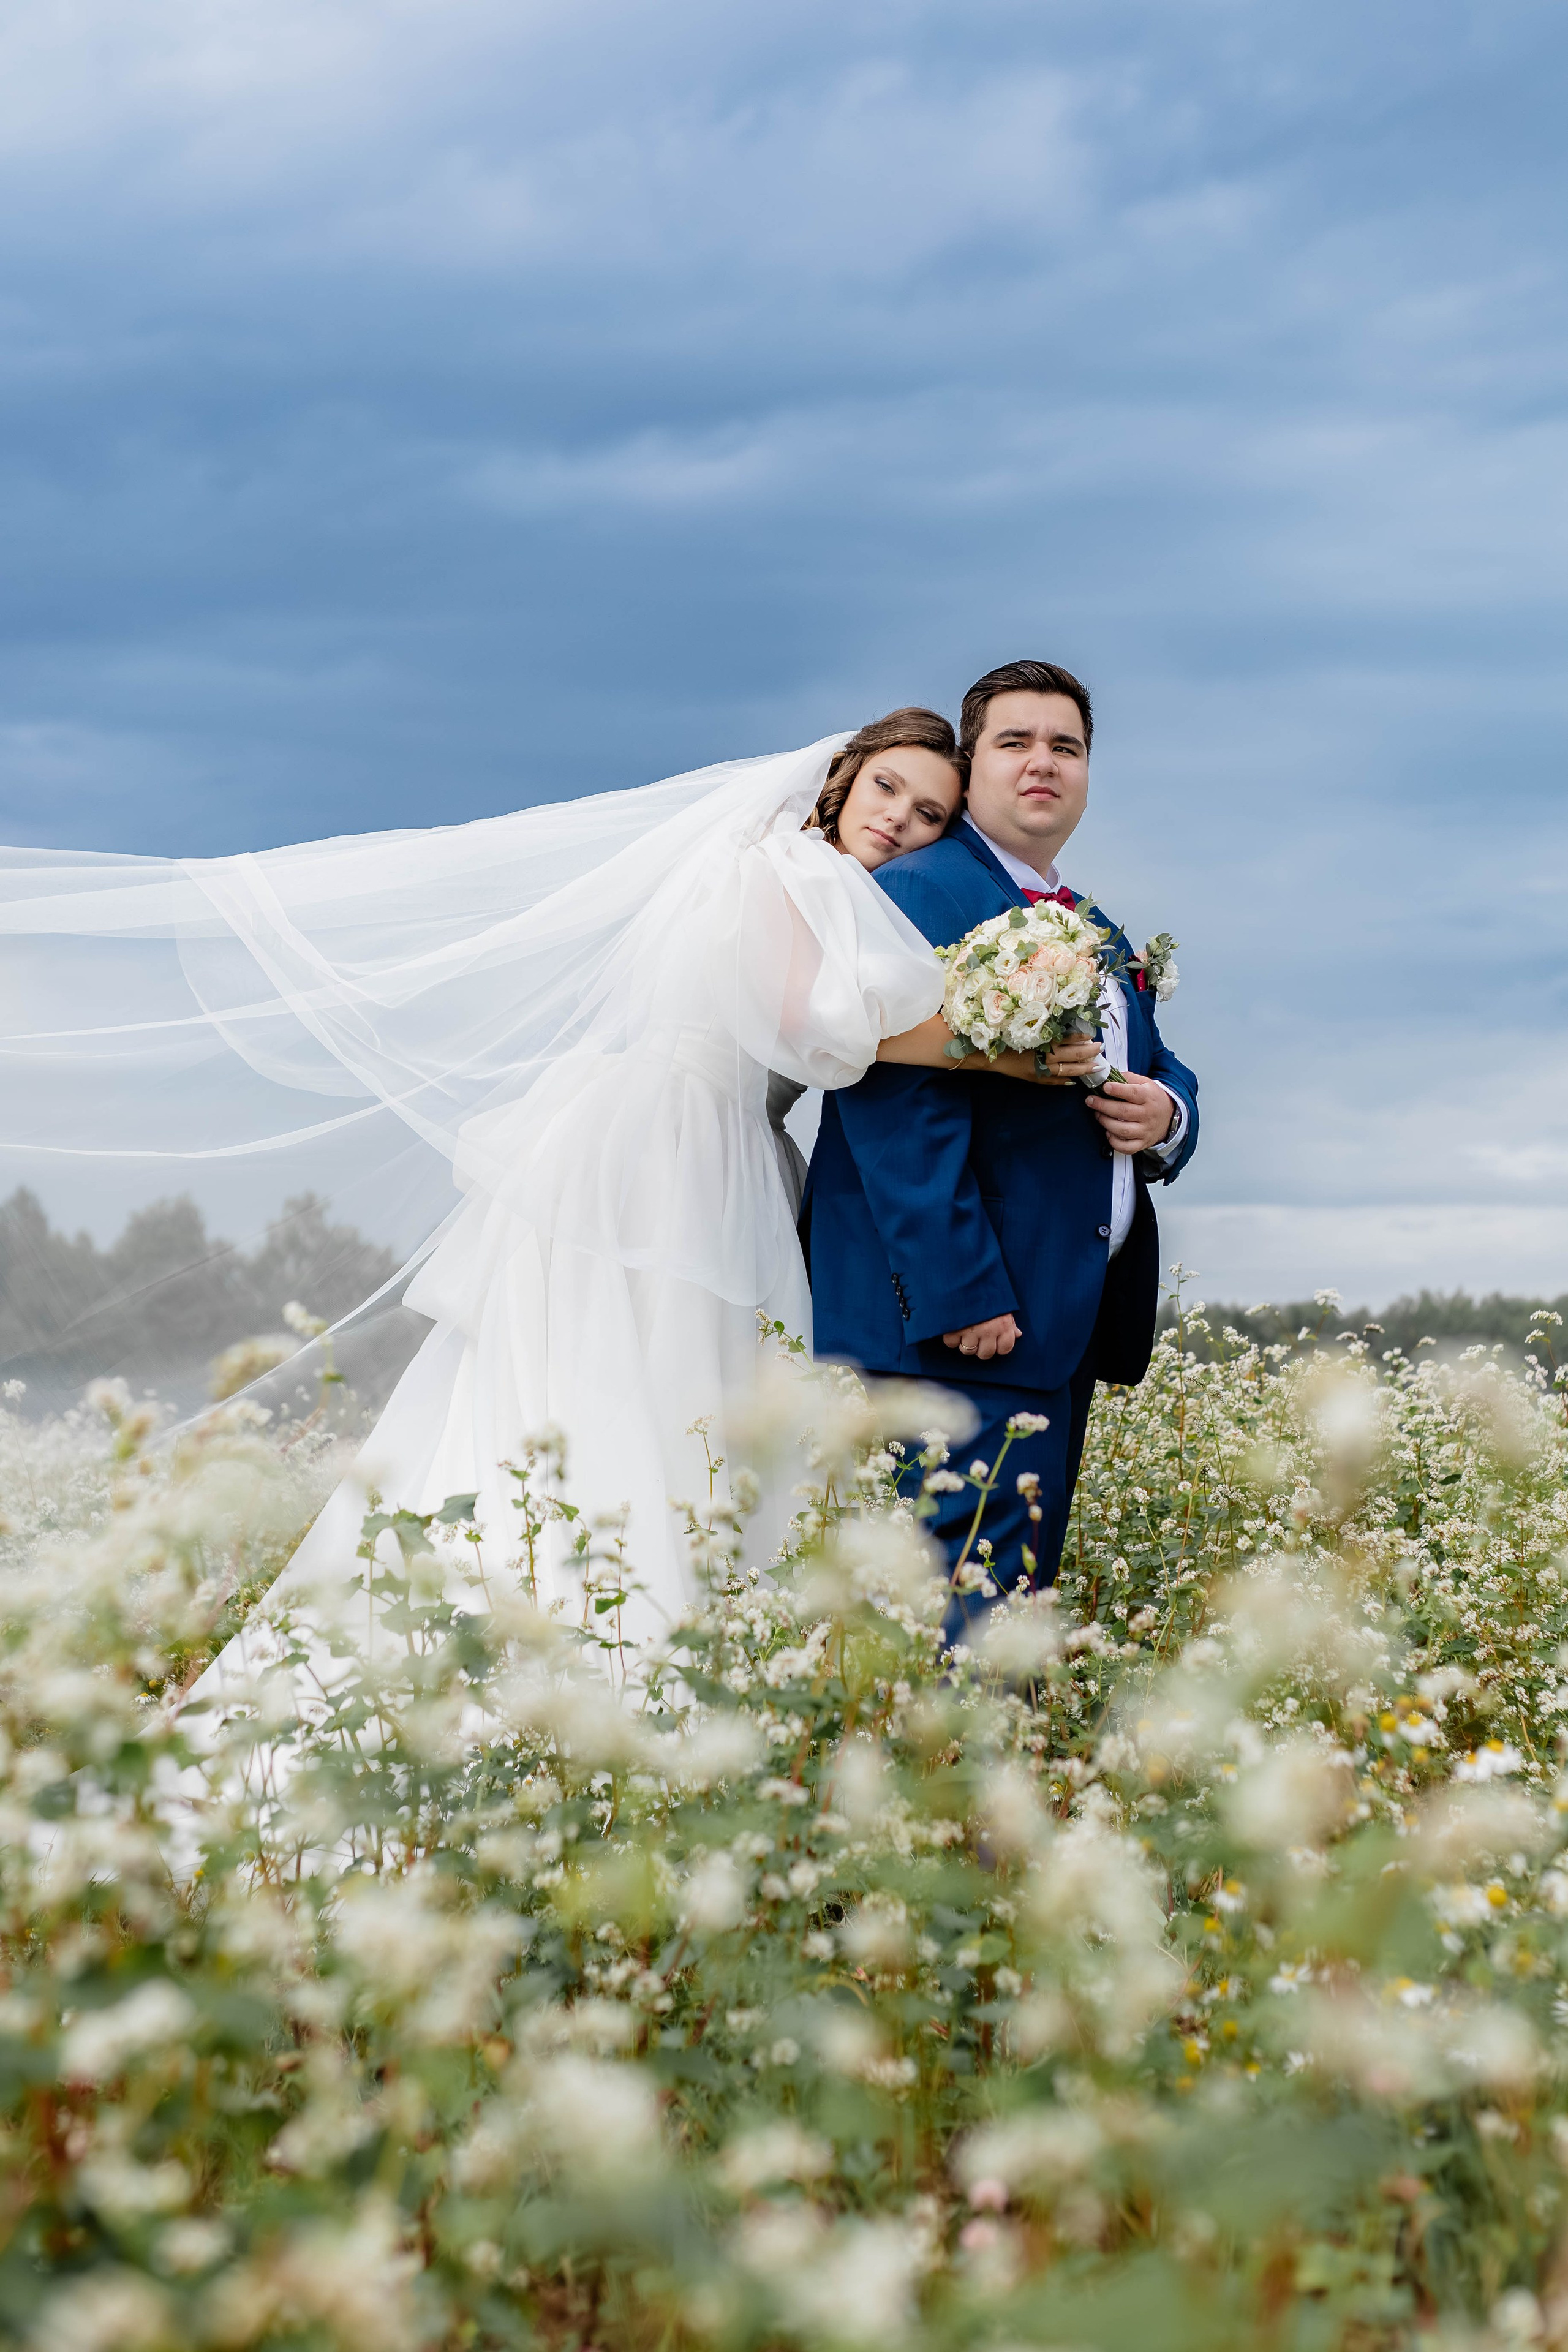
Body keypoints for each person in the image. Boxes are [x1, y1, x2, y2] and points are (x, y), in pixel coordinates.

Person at [804, 659, 1199, 1639]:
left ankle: (991, 1785)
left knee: (1012, 1611)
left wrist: (1167, 1113)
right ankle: (962, 1790)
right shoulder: (919, 891)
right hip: (971, 1321)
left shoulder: (1091, 924)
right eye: (1016, 742)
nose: (1043, 763)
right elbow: (892, 1100)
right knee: (970, 1617)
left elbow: (1161, 1066)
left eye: (1066, 746)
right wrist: (962, 1291)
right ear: (972, 765)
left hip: (1054, 1325)